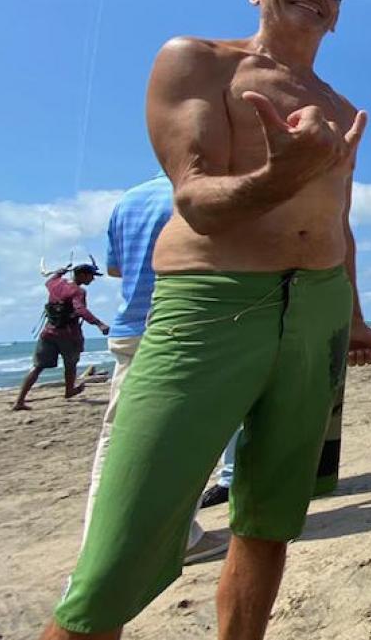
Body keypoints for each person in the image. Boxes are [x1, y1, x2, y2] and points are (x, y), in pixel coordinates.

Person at [40, 0, 371, 639]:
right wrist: (278, 176)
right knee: (118, 550)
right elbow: (196, 197)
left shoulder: (341, 107)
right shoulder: (196, 60)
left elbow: (338, 221)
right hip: (209, 303)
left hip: (317, 308)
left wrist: (352, 314)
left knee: (269, 520)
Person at [82, 174, 230, 564]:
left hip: (131, 327)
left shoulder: (129, 199)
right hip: (183, 325)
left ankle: (102, 541)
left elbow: (115, 269)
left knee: (118, 439)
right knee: (188, 440)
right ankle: (167, 539)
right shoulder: (210, 192)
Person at [12, 262, 110, 411]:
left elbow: (49, 281)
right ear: (82, 275)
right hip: (68, 335)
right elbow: (81, 310)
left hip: (48, 332)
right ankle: (69, 391)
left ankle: (19, 401)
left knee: (37, 367)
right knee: (70, 365)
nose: (93, 279)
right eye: (91, 276)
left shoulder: (55, 284)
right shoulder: (78, 291)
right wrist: (99, 324)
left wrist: (59, 272)